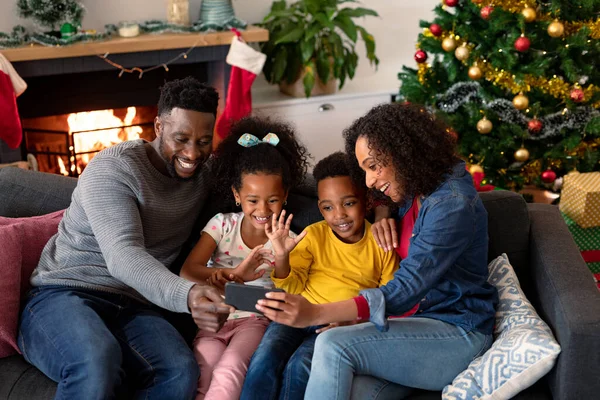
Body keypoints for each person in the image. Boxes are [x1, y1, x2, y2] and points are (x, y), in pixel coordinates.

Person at [254, 103, 499, 399]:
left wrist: (316, 313)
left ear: (403, 152)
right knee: (345, 387)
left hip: (457, 331)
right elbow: (368, 199)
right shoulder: (418, 185)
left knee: (332, 344)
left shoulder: (451, 205)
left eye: (373, 166)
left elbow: (404, 289)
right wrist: (383, 217)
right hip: (416, 324)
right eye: (364, 170)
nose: (369, 180)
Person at [18, 77, 235, 400]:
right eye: (181, 138)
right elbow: (123, 256)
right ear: (158, 125)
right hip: (63, 294)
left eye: (203, 141)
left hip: (134, 305)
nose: (192, 152)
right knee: (96, 360)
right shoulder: (114, 169)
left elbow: (259, 167)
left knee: (179, 371)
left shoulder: (203, 175)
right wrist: (188, 295)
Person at [241, 151, 399, 400]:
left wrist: (354, 323)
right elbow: (292, 287)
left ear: (367, 201)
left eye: (348, 203)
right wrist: (281, 257)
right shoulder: (314, 235)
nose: (339, 215)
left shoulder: (380, 243)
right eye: (328, 207)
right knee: (265, 359)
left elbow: (389, 298)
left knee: (300, 367)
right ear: (320, 209)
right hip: (294, 313)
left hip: (335, 324)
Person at [180, 116, 309, 400]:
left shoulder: (289, 238)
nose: (263, 209)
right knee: (205, 365)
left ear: (285, 195)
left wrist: (282, 254)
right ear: (237, 195)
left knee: (231, 367)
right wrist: (231, 274)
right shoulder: (221, 225)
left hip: (254, 321)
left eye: (272, 200)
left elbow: (290, 288)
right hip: (215, 318)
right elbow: (188, 272)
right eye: (252, 200)